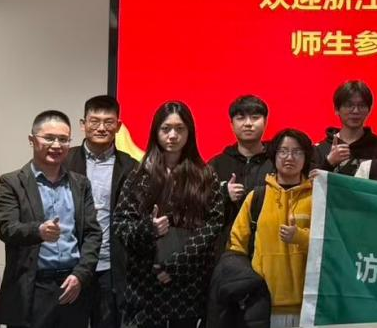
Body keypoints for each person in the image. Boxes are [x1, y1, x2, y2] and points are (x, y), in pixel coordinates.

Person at [113, 101, 226, 328]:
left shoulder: (205, 175)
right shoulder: (138, 174)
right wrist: (149, 228)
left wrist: (175, 266)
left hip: (188, 282)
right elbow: (121, 224)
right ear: (156, 132)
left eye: (179, 129)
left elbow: (213, 224)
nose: (173, 135)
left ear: (189, 132)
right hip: (146, 283)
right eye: (166, 129)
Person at [0, 110, 102, 328]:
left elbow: (93, 233)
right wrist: (39, 231)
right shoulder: (12, 182)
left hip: (72, 286)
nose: (56, 145)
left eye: (63, 139)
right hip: (33, 288)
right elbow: (6, 228)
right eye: (49, 138)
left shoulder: (80, 184)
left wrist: (80, 275)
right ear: (32, 140)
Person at [227, 128, 315, 328]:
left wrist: (300, 237)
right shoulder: (257, 197)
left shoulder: (317, 197)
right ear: (274, 156)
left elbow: (330, 244)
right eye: (283, 151)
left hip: (307, 307)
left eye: (297, 152)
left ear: (306, 157)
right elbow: (236, 246)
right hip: (261, 304)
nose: (289, 157)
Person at [65, 95, 136, 328]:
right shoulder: (64, 161)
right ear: (83, 124)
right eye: (94, 121)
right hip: (70, 263)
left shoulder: (131, 166)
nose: (101, 128)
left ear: (119, 125)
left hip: (109, 265)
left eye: (109, 122)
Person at [207, 94, 275, 231]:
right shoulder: (216, 164)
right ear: (231, 124)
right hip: (227, 240)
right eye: (240, 118)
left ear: (265, 121)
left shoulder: (277, 162)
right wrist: (223, 193)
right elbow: (200, 205)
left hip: (268, 238)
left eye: (255, 117)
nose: (248, 123)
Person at [313, 80, 377, 176]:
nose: (355, 111)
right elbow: (309, 184)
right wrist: (329, 163)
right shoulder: (319, 150)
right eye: (349, 105)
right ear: (336, 109)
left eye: (362, 105)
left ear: (369, 110)